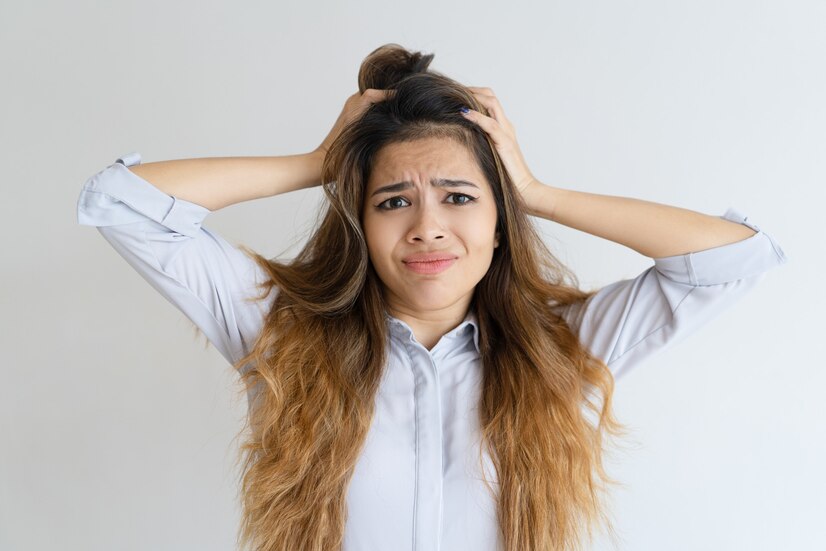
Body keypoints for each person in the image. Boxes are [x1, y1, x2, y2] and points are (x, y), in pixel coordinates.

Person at [76, 43, 787, 551]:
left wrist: (537, 192)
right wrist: (322, 163)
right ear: (361, 221)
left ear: (499, 223)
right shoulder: (280, 330)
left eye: (458, 196)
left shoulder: (566, 345)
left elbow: (735, 256)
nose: (427, 227)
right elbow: (121, 203)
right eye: (392, 200)